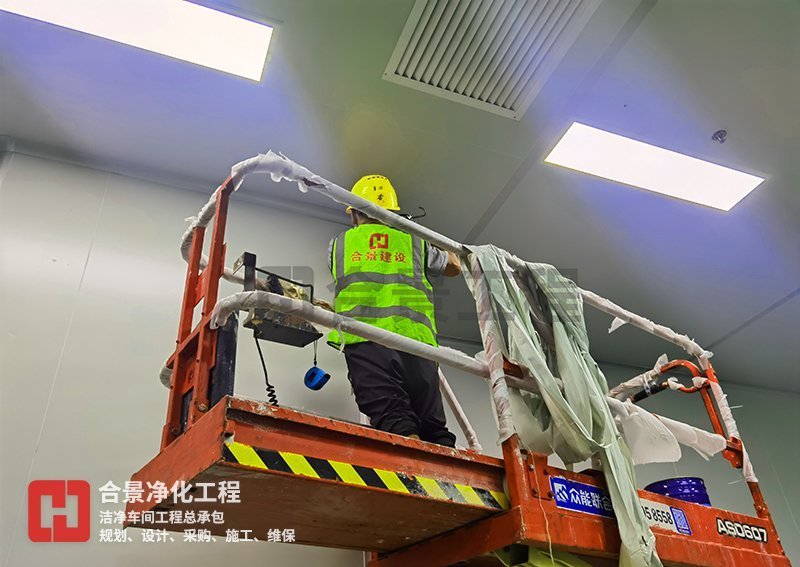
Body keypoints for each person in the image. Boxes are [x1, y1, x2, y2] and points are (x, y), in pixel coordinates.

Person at [327, 174, 461, 447]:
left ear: (353, 214)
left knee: (392, 416)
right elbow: (454, 266)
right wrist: (436, 240)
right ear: (392, 211)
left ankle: (414, 478)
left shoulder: (338, 245)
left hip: (366, 339)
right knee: (432, 425)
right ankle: (447, 477)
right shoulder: (415, 243)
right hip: (418, 343)